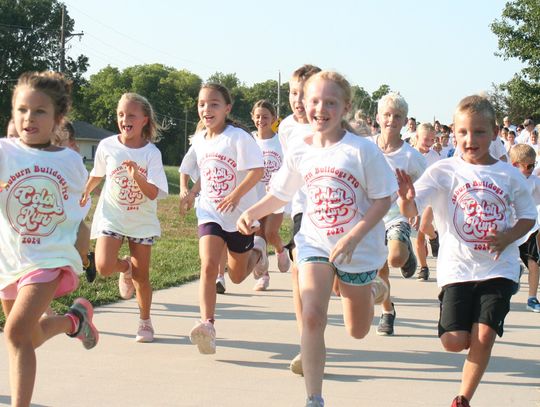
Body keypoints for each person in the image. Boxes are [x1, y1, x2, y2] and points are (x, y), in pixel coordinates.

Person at [237, 71, 395, 407]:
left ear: (345, 107)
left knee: (358, 330)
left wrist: (353, 237)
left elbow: (384, 199)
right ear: (304, 104)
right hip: (314, 241)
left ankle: (370, 291)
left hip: (358, 247)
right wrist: (252, 212)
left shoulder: (361, 150)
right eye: (315, 101)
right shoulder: (299, 147)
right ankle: (314, 397)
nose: (321, 109)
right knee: (311, 315)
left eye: (330, 102)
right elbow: (281, 193)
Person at [397, 95, 536, 407]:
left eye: (479, 132)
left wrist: (508, 237)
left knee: (484, 336)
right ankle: (462, 325)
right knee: (453, 342)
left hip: (499, 267)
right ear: (454, 132)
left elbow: (528, 216)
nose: (469, 139)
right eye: (462, 132)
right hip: (456, 268)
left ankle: (462, 398)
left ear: (494, 133)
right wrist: (406, 198)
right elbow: (411, 208)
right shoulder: (443, 171)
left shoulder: (509, 174)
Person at [1, 71, 98, 407]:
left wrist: (83, 256)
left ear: (57, 118)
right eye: (22, 109)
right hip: (11, 261)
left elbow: (79, 216)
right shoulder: (3, 153)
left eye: (40, 111)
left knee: (14, 334)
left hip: (50, 260)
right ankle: (75, 321)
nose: (29, 118)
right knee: (28, 337)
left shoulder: (70, 162)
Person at [178, 83, 264, 354]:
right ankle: (208, 325)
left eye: (214, 104)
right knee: (208, 265)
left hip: (239, 218)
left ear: (227, 108)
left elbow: (257, 171)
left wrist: (237, 195)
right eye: (202, 104)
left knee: (238, 276)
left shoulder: (239, 137)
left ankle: (258, 254)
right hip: (210, 212)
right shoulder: (200, 139)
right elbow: (195, 170)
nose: (207, 109)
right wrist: (188, 191)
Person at [81, 92, 168, 343]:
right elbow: (98, 174)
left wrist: (137, 176)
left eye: (131, 115)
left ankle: (145, 322)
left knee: (142, 278)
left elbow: (152, 193)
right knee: (103, 266)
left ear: (144, 120)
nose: (124, 119)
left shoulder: (152, 153)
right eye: (121, 114)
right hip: (112, 216)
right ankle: (124, 267)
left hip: (141, 221)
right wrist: (85, 192)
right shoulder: (108, 145)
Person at [277, 64, 321, 375]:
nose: (296, 100)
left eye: (303, 94)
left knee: (333, 283)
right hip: (302, 208)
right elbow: (289, 172)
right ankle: (306, 343)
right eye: (293, 93)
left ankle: (371, 288)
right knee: (297, 270)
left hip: (331, 210)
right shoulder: (286, 128)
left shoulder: (331, 127)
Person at [372, 92, 427, 335]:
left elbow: (426, 186)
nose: (391, 120)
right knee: (380, 267)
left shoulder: (411, 156)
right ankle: (387, 311)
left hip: (397, 215)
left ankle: (407, 256)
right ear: (378, 117)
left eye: (397, 116)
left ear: (405, 122)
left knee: (394, 258)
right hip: (371, 217)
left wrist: (419, 210)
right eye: (387, 115)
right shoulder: (366, 147)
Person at [251, 100, 290, 290]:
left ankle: (281, 250)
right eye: (257, 116)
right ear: (252, 117)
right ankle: (263, 275)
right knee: (258, 237)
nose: (261, 120)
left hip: (276, 197)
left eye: (265, 117)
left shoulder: (281, 142)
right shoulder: (249, 141)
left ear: (274, 119)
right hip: (255, 199)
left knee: (270, 232)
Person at [53, 121, 97, 283]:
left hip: (74, 208)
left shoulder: (73, 160)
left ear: (71, 143)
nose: (53, 144)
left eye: (58, 141)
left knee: (76, 248)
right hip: (51, 212)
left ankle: (87, 261)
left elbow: (88, 184)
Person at [509, 144, 540, 312]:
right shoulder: (505, 179)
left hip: (530, 229)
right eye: (527, 166)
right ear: (515, 165)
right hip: (510, 229)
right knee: (508, 263)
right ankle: (514, 274)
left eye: (533, 165)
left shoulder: (535, 182)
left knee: (534, 261)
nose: (530, 169)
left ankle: (532, 298)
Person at [412, 123, 440, 281]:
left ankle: (433, 236)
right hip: (413, 198)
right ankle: (423, 267)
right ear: (416, 137)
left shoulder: (435, 157)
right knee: (418, 237)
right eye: (425, 139)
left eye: (432, 139)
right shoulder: (409, 154)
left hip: (430, 198)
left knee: (422, 227)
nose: (429, 142)